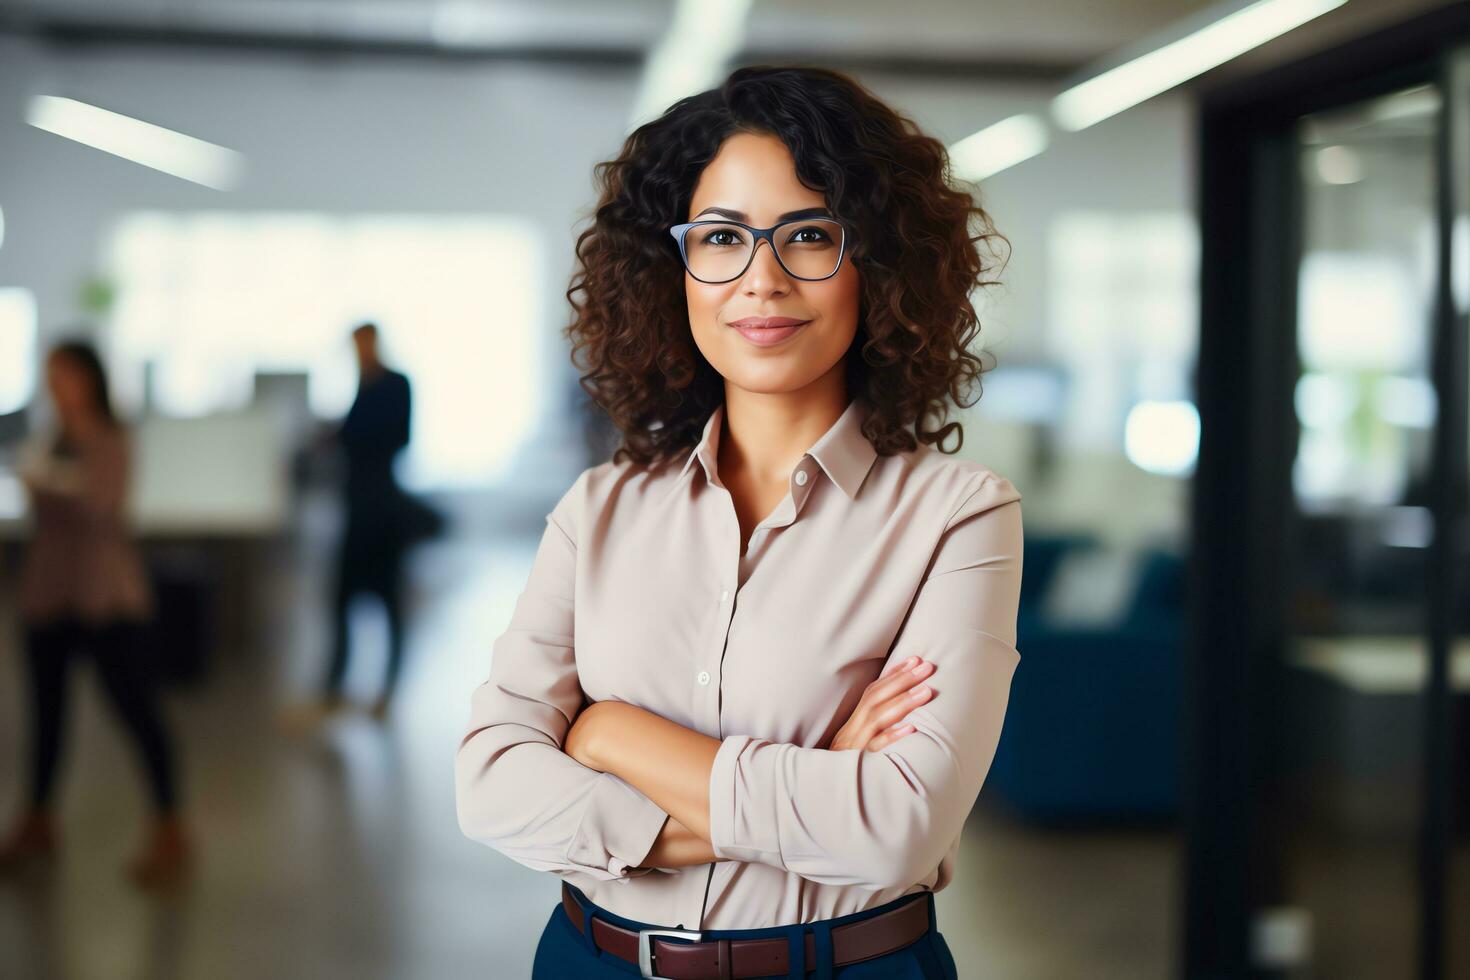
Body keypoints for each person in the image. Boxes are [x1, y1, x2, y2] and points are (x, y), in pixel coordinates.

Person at [455, 65, 1022, 978]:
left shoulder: (958, 515)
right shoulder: (597, 510)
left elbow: (897, 827)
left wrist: (610, 738)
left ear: (877, 263)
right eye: (721, 237)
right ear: (670, 269)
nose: (761, 280)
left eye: (808, 235)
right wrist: (816, 784)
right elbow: (489, 788)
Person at [0, 340, 189, 889]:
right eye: (50, 376)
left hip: (106, 596)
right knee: (46, 715)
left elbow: (102, 508)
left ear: (89, 379)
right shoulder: (49, 439)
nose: (56, 386)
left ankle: (169, 824)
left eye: (65, 375)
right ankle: (38, 819)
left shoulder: (111, 439)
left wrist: (55, 489)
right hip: (49, 591)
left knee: (137, 710)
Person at [321, 322, 413, 720]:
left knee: (390, 601)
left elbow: (396, 438)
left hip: (381, 511)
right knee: (340, 600)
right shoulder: (361, 387)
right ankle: (334, 686)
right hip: (357, 508)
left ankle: (387, 688)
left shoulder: (394, 384)